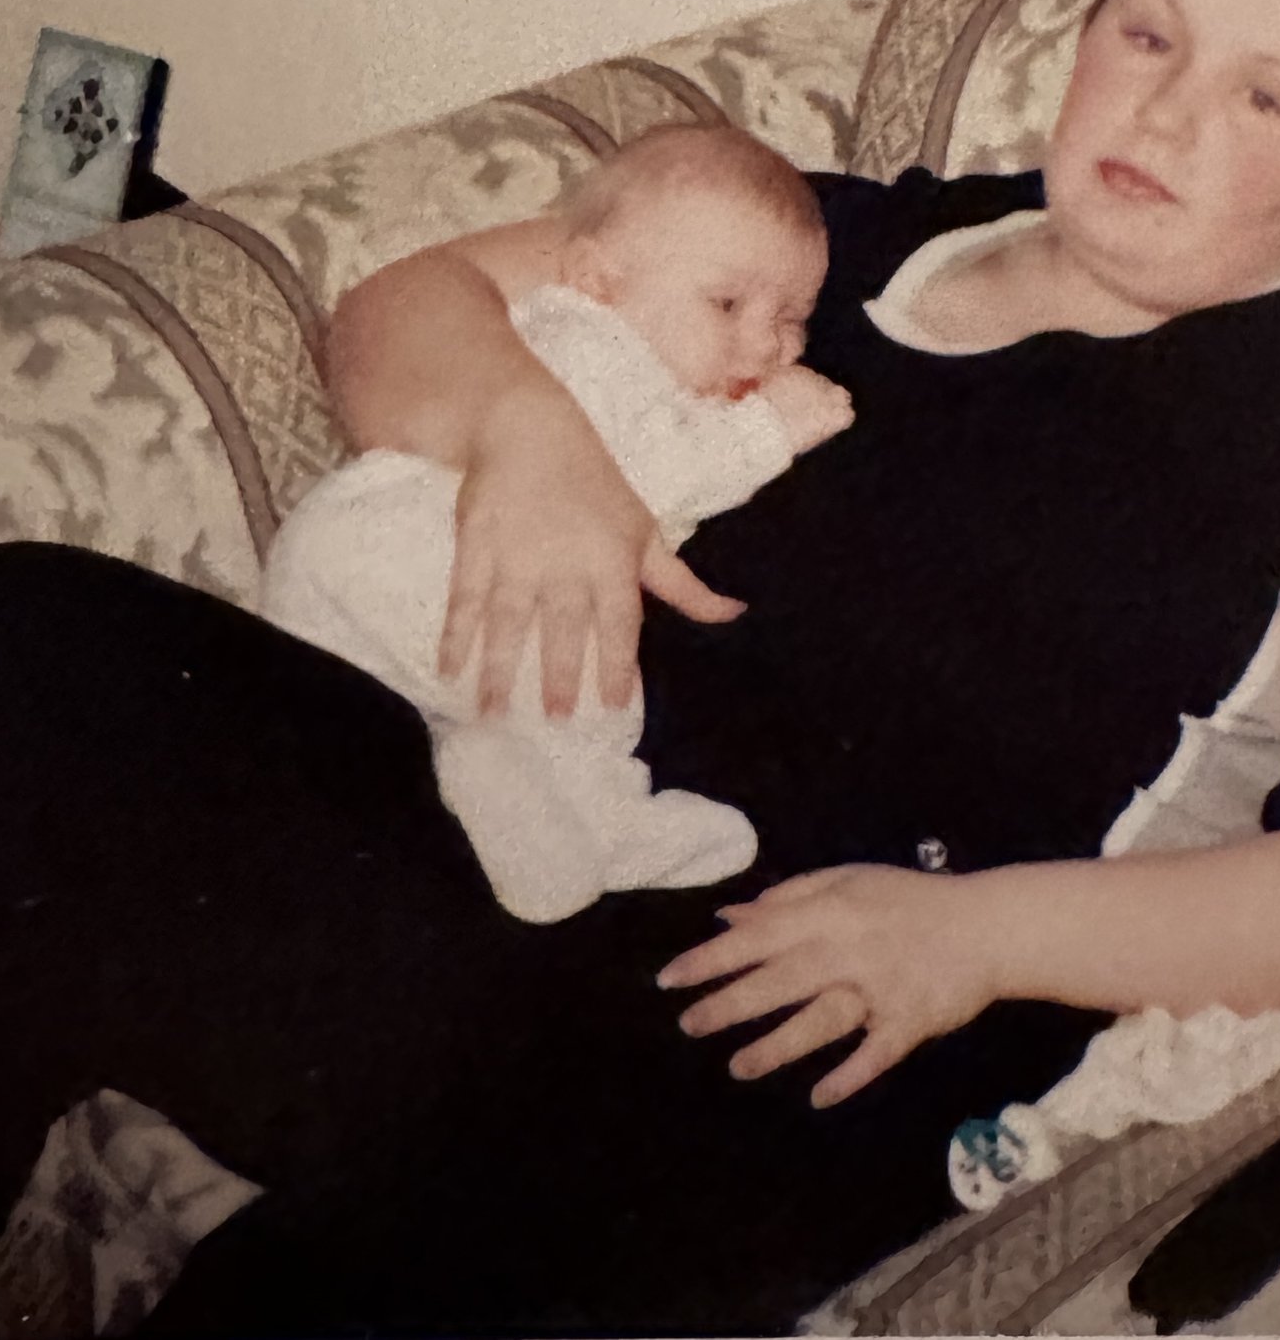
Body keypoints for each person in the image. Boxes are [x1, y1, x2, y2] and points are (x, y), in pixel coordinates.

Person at [0, 0, 1280, 1338]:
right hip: (498, 830)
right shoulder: (866, 236)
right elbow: (404, 304)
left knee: (298, 1301)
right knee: (16, 647)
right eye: (1148, 34)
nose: (1166, 113)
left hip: (797, 1005)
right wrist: (532, 439)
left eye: (1265, 90)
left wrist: (978, 939)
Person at [262, 122, 856, 922]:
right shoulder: (590, 342)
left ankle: (487, 772)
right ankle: (604, 821)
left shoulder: (599, 325)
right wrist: (768, 429)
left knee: (457, 723)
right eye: (727, 303)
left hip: (344, 568)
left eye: (793, 320)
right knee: (593, 656)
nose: (766, 342)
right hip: (430, 554)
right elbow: (637, 484)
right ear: (595, 279)